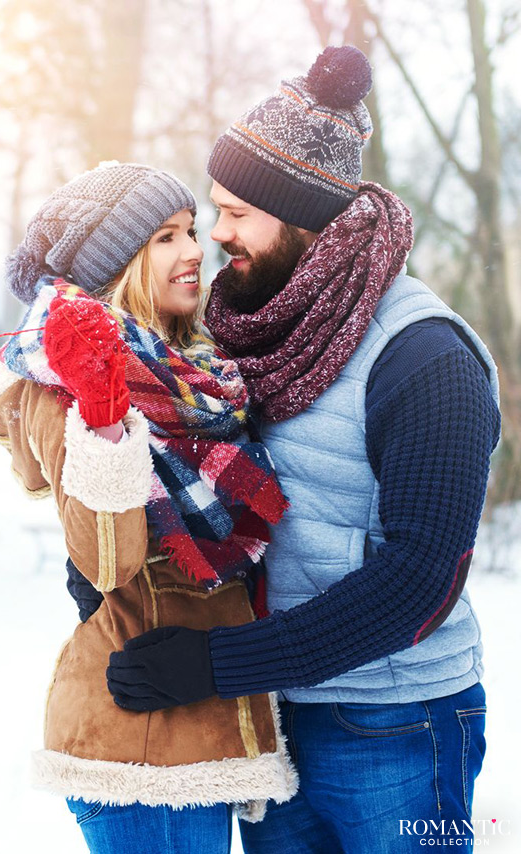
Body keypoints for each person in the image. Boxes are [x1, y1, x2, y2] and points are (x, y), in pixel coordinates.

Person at [103, 47, 501, 852]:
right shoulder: (251, 338)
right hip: (275, 717)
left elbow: (420, 581)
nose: (217, 237)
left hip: (397, 722)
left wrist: (219, 665)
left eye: (237, 213)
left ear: (305, 215)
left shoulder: (425, 357)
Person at [0, 162, 297, 853]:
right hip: (139, 745)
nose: (194, 251)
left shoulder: (194, 369)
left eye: (189, 231)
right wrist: (101, 417)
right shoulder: (63, 382)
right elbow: (105, 561)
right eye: (164, 237)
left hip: (196, 730)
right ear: (116, 264)